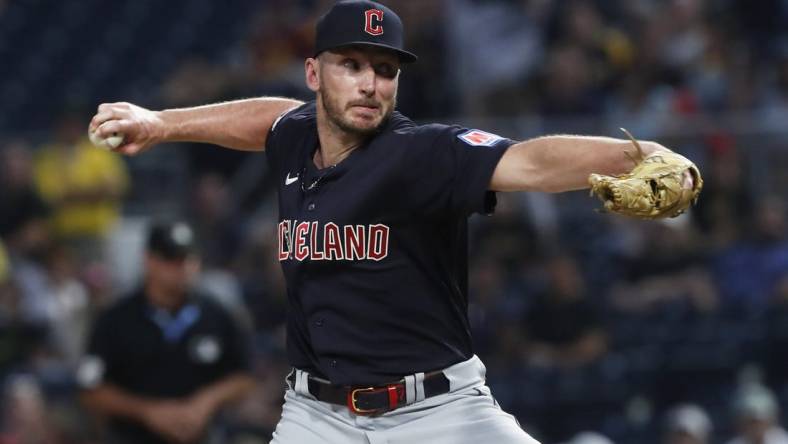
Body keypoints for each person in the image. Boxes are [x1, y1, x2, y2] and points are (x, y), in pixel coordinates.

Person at [88, 2, 698, 443]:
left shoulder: (424, 152)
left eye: (384, 69)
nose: (369, 83)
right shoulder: (297, 136)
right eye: (350, 64)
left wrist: (631, 155)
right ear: (313, 74)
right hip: (317, 416)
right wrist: (161, 123)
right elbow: (267, 118)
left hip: (440, 412)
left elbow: (530, 160)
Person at [77, 220, 255, 444]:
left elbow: (245, 376)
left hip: (202, 436)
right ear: (148, 260)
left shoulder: (217, 315)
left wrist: (205, 402)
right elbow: (90, 389)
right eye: (172, 260)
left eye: (189, 259)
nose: (182, 268)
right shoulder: (116, 319)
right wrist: (148, 411)